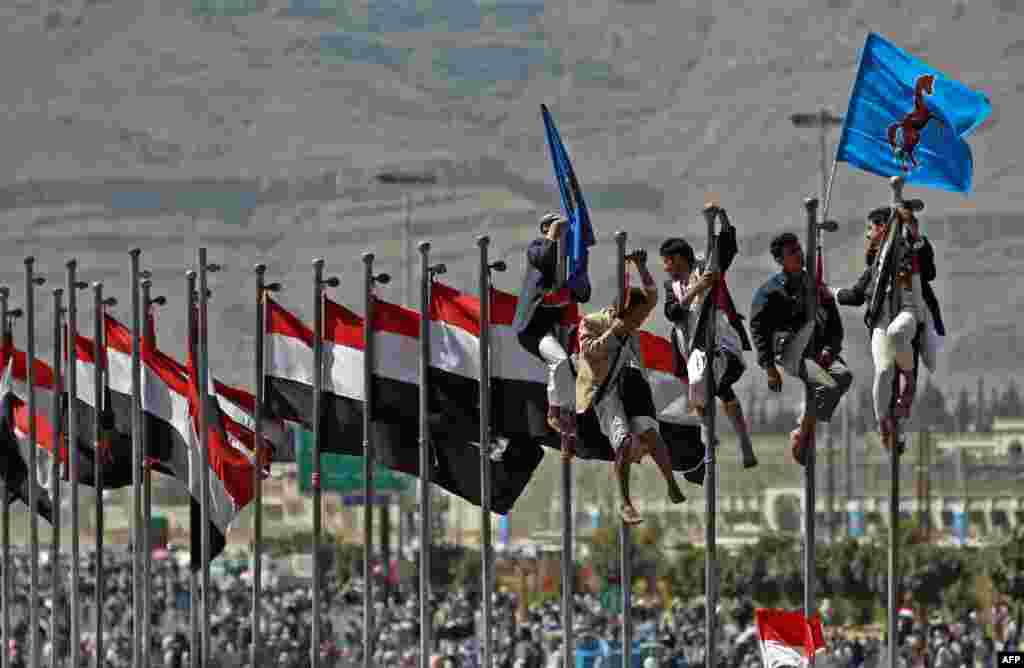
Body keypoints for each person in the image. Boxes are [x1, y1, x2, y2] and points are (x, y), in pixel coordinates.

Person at [576, 249, 686, 525]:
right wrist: (616, 331)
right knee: (624, 441)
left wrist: (640, 265)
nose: (639, 324)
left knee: (650, 434)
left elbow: (651, 296)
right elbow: (590, 352)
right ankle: (625, 502)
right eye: (635, 319)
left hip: (633, 383)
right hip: (605, 391)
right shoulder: (592, 322)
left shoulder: (634, 320)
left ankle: (671, 482)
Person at [832, 201, 941, 451]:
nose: (868, 234)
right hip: (881, 321)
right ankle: (884, 425)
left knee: (899, 345)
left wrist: (912, 231)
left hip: (906, 318)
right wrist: (827, 290)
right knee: (883, 372)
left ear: (883, 227)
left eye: (871, 228)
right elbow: (856, 295)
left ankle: (906, 396)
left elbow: (929, 270)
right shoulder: (875, 266)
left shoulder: (911, 250)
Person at [660, 208, 756, 468]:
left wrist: (721, 219)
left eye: (668, 262)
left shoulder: (707, 267)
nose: (666, 269)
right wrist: (696, 289)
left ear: (678, 258)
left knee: (717, 386)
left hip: (717, 338)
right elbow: (673, 312)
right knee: (708, 387)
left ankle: (738, 440)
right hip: (690, 343)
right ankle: (714, 434)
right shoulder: (674, 287)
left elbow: (725, 247)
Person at [750, 232, 853, 465]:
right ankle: (806, 427)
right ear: (780, 260)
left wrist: (830, 348)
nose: (799, 254)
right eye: (792, 252)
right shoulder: (771, 291)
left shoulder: (817, 286)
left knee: (843, 376)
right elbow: (757, 329)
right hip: (791, 352)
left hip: (819, 353)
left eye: (798, 249)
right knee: (825, 379)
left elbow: (835, 326)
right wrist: (769, 368)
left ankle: (806, 427)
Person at [513, 212, 591, 452]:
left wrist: (578, 271)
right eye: (554, 226)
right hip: (532, 328)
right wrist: (555, 233)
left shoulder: (565, 261)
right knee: (558, 361)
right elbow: (543, 256)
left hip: (555, 328)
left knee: (563, 365)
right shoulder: (536, 248)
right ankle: (556, 411)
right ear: (545, 228)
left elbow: (583, 292)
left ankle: (563, 414)